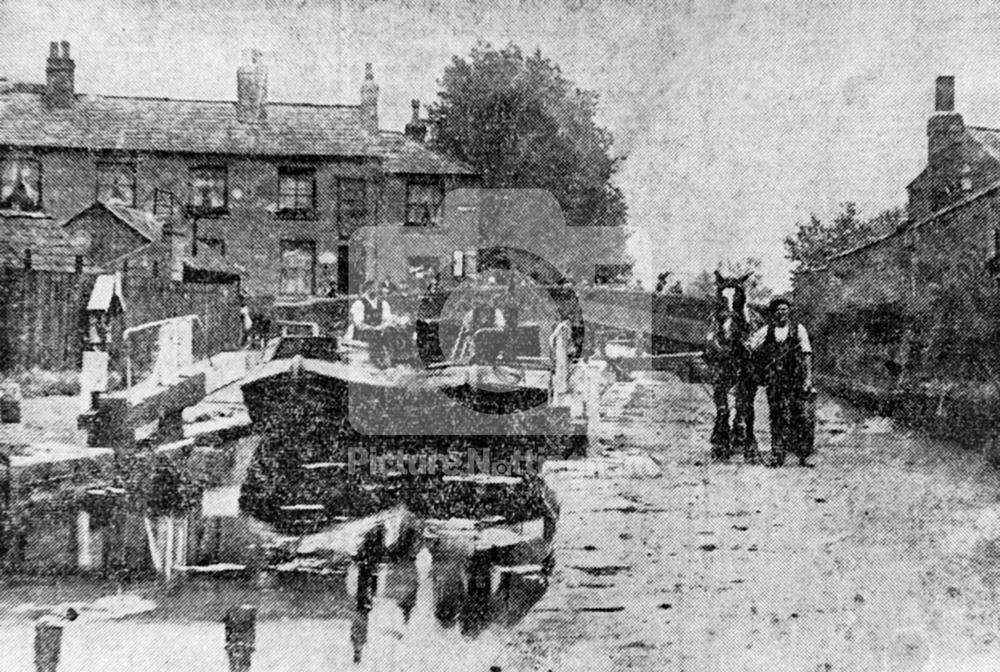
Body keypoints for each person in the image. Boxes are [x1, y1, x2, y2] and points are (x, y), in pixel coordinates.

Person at [749, 297, 815, 467]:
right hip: (775, 381)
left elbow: (807, 354)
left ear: (789, 311)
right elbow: (751, 347)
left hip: (796, 379)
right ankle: (777, 455)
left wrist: (808, 379)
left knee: (800, 417)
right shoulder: (766, 331)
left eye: (785, 309)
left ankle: (804, 456)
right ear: (773, 313)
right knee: (777, 417)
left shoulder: (798, 329)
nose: (782, 312)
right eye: (779, 310)